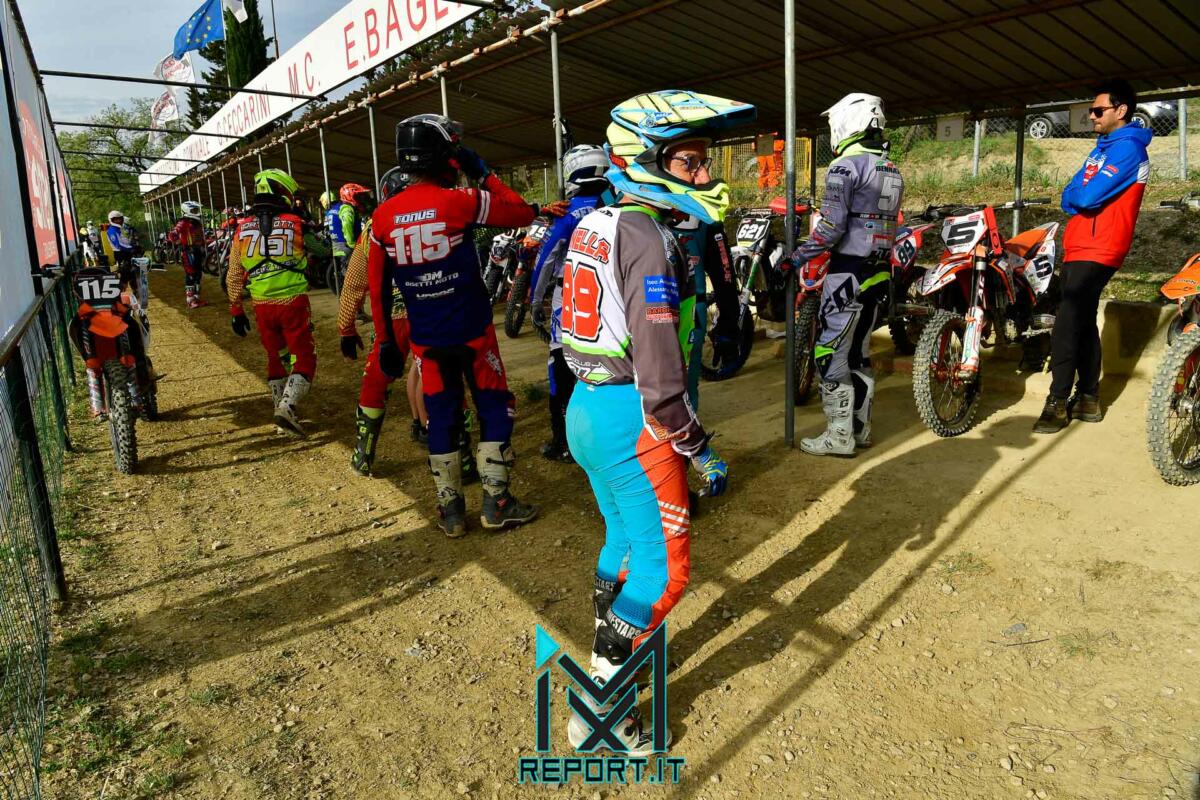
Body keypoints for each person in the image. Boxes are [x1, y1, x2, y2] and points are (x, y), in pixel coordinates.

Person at [561, 90, 748, 753]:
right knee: (665, 572)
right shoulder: (649, 238)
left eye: (704, 161)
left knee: (622, 540)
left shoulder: (596, 221)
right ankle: (600, 709)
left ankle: (609, 648)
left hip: (586, 406)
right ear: (646, 161)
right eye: (690, 162)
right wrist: (699, 448)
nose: (705, 174)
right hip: (631, 418)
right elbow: (664, 383)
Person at [368, 113, 547, 537]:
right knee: (494, 406)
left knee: (442, 416)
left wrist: (385, 341)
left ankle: (450, 511)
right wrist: (482, 172)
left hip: (426, 339)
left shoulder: (382, 217)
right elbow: (522, 212)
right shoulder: (462, 200)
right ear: (444, 156)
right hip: (473, 333)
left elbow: (378, 289)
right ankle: (497, 503)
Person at [782, 93, 903, 457]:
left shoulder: (844, 167)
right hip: (880, 271)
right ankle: (860, 430)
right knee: (859, 354)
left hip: (848, 271)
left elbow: (830, 228)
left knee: (829, 351)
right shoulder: (891, 168)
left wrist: (794, 258)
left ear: (847, 123)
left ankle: (839, 436)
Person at [339, 166, 474, 478]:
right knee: (448, 382)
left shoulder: (375, 224)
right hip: (439, 312)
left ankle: (363, 454)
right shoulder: (442, 211)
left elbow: (355, 282)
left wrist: (345, 327)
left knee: (376, 382)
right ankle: (462, 458)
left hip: (395, 316)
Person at [1034, 78, 1152, 434]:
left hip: (1102, 247)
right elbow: (1068, 194)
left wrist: (1080, 197)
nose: (1092, 116)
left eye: (1099, 110)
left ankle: (1057, 402)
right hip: (1081, 244)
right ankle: (1088, 398)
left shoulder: (1128, 149)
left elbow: (1083, 198)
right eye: (1091, 110)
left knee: (1067, 320)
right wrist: (1079, 197)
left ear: (1121, 110)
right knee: (1081, 320)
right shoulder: (1102, 149)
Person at [529, 144, 612, 462]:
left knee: (561, 368)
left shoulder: (567, 214)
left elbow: (545, 260)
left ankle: (562, 442)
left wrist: (535, 300)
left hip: (572, 298)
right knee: (607, 368)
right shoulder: (618, 206)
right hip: (611, 298)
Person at [226, 169, 315, 436]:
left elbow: (233, 273)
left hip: (261, 305)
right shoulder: (297, 223)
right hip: (293, 302)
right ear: (283, 192)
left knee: (275, 356)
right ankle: (286, 407)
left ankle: (280, 410)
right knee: (305, 357)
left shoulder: (241, 229)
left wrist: (235, 308)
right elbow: (321, 249)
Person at [169, 201, 209, 308]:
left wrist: (204, 243)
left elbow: (200, 236)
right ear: (187, 210)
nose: (196, 212)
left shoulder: (197, 223)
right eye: (194, 210)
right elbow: (172, 234)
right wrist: (179, 242)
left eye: (196, 210)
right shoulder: (183, 222)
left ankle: (196, 298)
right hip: (188, 252)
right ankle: (190, 300)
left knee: (198, 274)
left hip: (198, 251)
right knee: (191, 275)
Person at [106, 210, 136, 285]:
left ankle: (134, 289)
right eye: (116, 219)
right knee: (125, 273)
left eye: (120, 218)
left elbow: (125, 241)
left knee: (132, 273)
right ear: (111, 220)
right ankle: (121, 289)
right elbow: (118, 245)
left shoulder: (119, 229)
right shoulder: (111, 231)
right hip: (120, 253)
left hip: (126, 252)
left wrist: (133, 246)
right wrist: (131, 248)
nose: (119, 221)